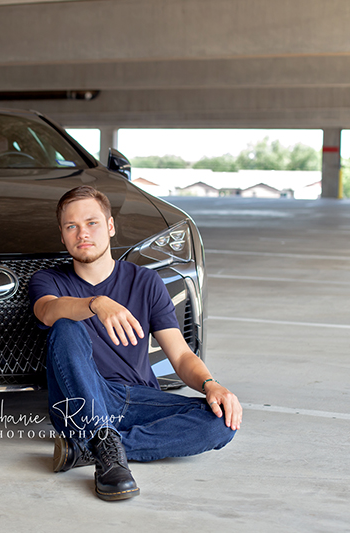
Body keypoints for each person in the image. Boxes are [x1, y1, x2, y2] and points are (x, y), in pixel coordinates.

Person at [28, 185, 241, 501]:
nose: (82, 233)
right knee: (66, 327)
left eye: (92, 222)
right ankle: (107, 453)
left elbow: (180, 356)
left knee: (222, 421)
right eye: (71, 226)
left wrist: (212, 384)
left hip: (137, 398)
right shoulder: (49, 280)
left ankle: (90, 448)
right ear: (62, 235)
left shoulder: (146, 282)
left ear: (110, 227)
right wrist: (96, 302)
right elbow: (47, 311)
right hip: (83, 401)